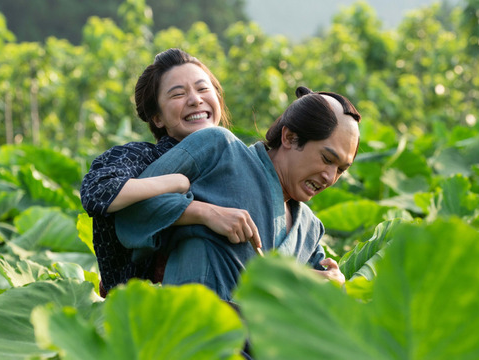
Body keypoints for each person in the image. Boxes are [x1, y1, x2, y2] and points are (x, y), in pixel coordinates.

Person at [114, 87, 361, 301]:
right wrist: (203, 212)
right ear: (290, 137)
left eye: (340, 169)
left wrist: (332, 283)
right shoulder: (220, 149)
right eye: (327, 159)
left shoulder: (309, 229)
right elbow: (129, 208)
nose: (330, 177)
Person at [81, 48, 261, 296]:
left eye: (203, 89)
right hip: (145, 313)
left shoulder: (239, 165)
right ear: (157, 118)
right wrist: (177, 184)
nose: (195, 99)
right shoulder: (142, 157)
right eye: (178, 94)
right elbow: (97, 191)